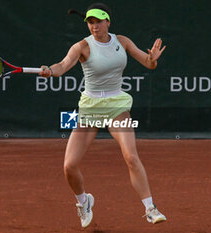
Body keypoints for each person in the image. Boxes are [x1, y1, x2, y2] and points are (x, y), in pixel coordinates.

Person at [39, 3, 166, 228]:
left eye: (98, 21)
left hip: (117, 105)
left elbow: (148, 63)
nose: (95, 26)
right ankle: (83, 201)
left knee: (131, 156)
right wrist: (50, 70)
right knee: (69, 166)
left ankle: (150, 208)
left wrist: (153, 59)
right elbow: (62, 65)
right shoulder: (81, 47)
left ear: (108, 21)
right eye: (90, 22)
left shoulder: (122, 41)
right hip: (90, 109)